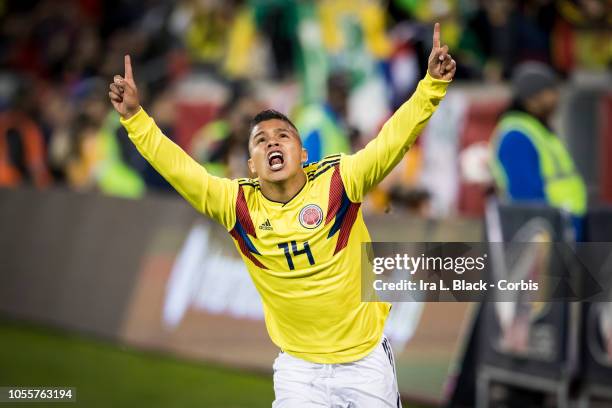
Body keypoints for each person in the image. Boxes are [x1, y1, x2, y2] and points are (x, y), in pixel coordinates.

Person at [108, 23, 455, 407]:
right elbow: (179, 168)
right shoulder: (237, 205)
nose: (272, 141)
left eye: (283, 136)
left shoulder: (341, 182)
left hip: (365, 363)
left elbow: (394, 138)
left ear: (303, 154)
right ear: (252, 165)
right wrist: (136, 119)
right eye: (261, 140)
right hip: (299, 371)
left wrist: (431, 86)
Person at [490, 62, 587, 239]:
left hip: (565, 228)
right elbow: (527, 201)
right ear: (531, 99)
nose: (556, 97)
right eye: (550, 92)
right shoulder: (517, 136)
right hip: (550, 235)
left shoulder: (539, 130)